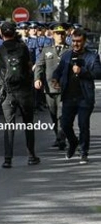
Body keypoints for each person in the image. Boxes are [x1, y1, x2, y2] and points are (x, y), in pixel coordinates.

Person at [0, 21, 40, 168]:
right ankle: (31, 156)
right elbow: (30, 67)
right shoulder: (23, 48)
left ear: (1, 33)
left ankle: (7, 159)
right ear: (14, 32)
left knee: (9, 125)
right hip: (24, 91)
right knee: (28, 124)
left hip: (7, 92)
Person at [51, 28, 101, 163]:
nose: (76, 44)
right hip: (68, 96)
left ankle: (83, 152)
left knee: (83, 125)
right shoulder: (67, 55)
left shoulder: (92, 56)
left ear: (84, 41)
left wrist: (82, 71)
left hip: (84, 97)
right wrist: (55, 79)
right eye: (73, 41)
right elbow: (59, 70)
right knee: (65, 124)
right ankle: (73, 142)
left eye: (79, 41)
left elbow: (98, 73)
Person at [34, 22, 69, 150]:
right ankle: (58, 136)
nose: (60, 36)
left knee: (62, 114)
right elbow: (39, 65)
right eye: (58, 34)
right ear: (53, 35)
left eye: (62, 34)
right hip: (49, 88)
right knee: (53, 115)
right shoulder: (46, 50)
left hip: (65, 88)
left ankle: (61, 138)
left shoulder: (70, 50)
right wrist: (37, 79)